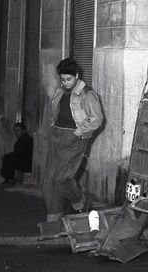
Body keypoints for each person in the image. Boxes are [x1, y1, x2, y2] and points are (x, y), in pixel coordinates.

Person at [42, 58, 103, 222]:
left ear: (76, 75)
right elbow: (56, 114)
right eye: (62, 79)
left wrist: (76, 134)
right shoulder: (60, 92)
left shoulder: (87, 93)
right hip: (56, 136)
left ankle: (81, 201)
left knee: (62, 178)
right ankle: (54, 219)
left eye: (69, 79)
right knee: (49, 181)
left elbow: (96, 119)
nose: (65, 83)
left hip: (74, 138)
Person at [0, 122, 33, 188]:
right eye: (15, 131)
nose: (16, 133)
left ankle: (11, 180)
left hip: (26, 164)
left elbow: (21, 154)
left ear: (23, 131)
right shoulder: (19, 140)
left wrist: (8, 155)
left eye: (18, 131)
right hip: (20, 161)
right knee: (7, 158)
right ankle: (7, 179)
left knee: (10, 158)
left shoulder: (28, 140)